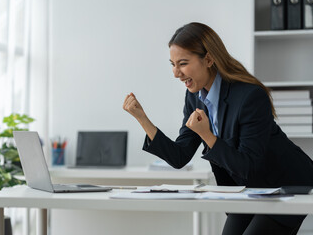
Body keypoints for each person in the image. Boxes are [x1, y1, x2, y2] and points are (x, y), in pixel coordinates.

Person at [123, 22, 313, 235]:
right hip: (249, 189)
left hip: (283, 185)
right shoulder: (194, 96)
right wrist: (142, 119)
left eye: (183, 63)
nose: (176, 73)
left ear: (209, 59)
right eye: (172, 64)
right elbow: (180, 156)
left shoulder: (249, 96)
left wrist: (207, 134)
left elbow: (249, 165)